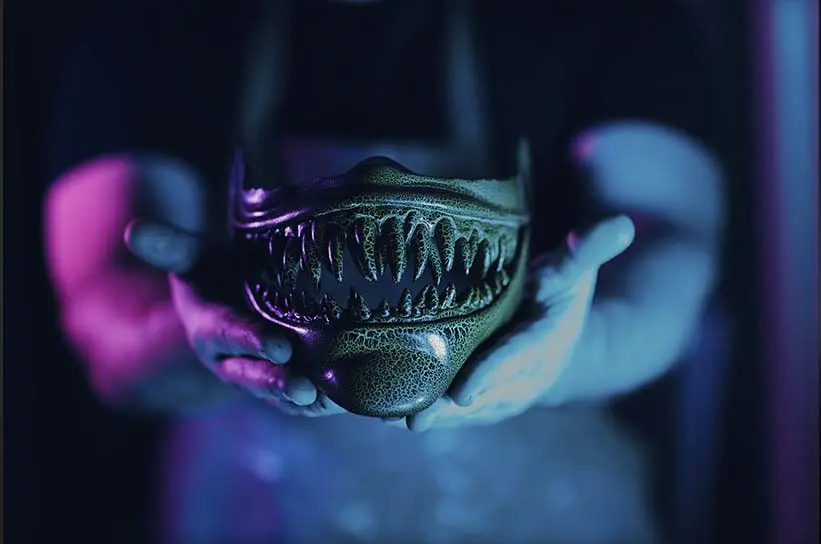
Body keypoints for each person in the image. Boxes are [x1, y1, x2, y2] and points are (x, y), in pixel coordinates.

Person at [44, 0, 725, 541]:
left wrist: (580, 348)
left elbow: (663, 241)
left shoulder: (604, 14)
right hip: (260, 504)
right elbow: (105, 309)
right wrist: (189, 338)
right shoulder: (152, 25)